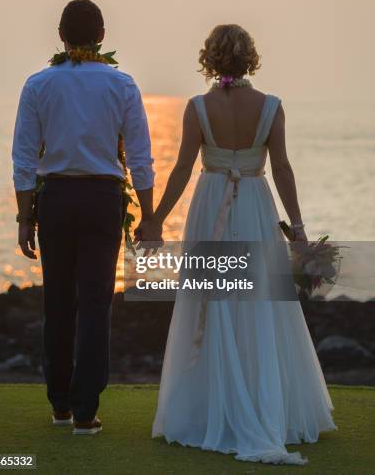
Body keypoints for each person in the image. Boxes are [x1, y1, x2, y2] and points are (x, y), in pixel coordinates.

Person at [139, 24, 336, 465]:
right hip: (254, 205)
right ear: (250, 58)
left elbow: (182, 169)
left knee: (214, 302)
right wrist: (298, 227)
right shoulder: (271, 107)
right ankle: (268, 409)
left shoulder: (197, 107)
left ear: (210, 59)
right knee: (261, 306)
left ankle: (215, 409)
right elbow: (282, 169)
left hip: (211, 206)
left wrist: (155, 220)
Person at [12, 0, 154, 434]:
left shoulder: (38, 85)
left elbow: (22, 159)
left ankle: (59, 405)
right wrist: (149, 216)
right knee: (96, 304)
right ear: (102, 36)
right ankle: (85, 411)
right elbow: (141, 158)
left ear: (60, 35)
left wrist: (24, 218)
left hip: (54, 198)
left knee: (58, 301)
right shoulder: (122, 85)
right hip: (102, 198)